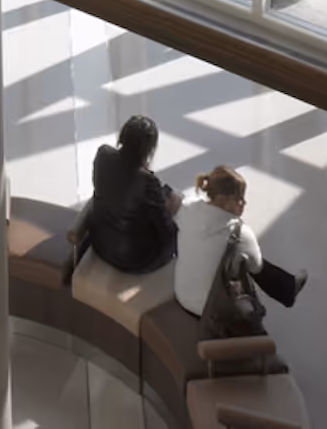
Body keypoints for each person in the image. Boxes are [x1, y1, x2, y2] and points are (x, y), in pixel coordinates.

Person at [174, 164, 307, 322]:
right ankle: (288, 289)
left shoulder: (186, 209)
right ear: (224, 199)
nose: (244, 203)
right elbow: (257, 267)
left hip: (182, 295)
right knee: (246, 259)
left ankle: (289, 287)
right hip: (210, 310)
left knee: (235, 252)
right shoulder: (240, 232)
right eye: (239, 199)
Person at [79, 114, 179, 273]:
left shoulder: (103, 154)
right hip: (134, 259)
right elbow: (166, 231)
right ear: (149, 148)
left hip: (101, 243)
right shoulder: (147, 181)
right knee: (174, 199)